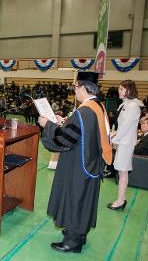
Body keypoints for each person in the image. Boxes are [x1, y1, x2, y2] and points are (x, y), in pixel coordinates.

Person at [38, 71, 112, 253]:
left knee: (75, 199)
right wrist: (62, 122)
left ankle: (73, 241)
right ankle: (79, 233)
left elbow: (64, 140)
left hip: (78, 165)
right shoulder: (98, 106)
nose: (75, 90)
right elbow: (82, 133)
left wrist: (47, 125)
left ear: (85, 88)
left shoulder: (84, 112)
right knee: (83, 200)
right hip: (92, 162)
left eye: (76, 87)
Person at [108, 80, 143, 211]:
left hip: (126, 142)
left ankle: (120, 201)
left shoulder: (133, 105)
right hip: (124, 141)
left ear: (129, 90)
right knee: (122, 171)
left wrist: (115, 140)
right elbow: (123, 126)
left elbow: (126, 126)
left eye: (122, 89)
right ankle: (120, 199)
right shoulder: (128, 104)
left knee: (123, 172)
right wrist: (115, 135)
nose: (119, 91)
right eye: (119, 89)